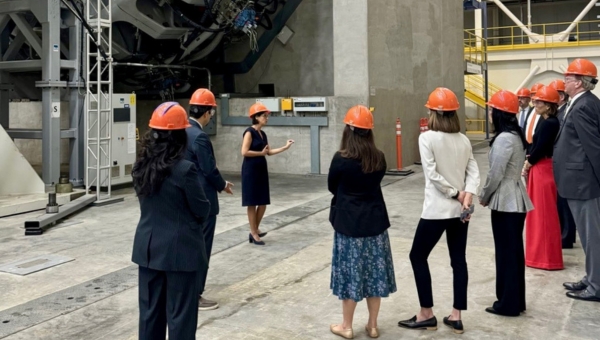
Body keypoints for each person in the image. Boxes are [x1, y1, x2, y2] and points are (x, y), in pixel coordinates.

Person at [398, 88, 480, 335]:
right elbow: (473, 170)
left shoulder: (427, 138)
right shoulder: (463, 140)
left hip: (437, 210)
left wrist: (456, 193)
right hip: (460, 212)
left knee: (417, 256)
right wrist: (468, 193)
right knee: (459, 261)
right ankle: (456, 316)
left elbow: (431, 174)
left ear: (433, 112)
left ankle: (426, 313)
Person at [131, 102, 211, 340]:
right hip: (181, 252)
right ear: (179, 136)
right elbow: (202, 209)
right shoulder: (185, 170)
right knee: (181, 319)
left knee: (149, 316)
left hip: (148, 250)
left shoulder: (139, 167)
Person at [328, 105, 396, 339]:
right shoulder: (379, 158)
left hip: (348, 225)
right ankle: (373, 325)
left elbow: (331, 186)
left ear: (348, 129)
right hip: (375, 224)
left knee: (350, 274)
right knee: (374, 274)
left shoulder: (341, 159)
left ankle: (347, 326)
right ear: (369, 132)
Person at [479, 90, 533, 317]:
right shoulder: (516, 135)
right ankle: (515, 300)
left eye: (492, 110)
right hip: (516, 198)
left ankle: (507, 303)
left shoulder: (504, 139)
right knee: (513, 253)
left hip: (505, 201)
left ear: (500, 113)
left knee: (505, 254)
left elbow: (495, 174)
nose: (490, 113)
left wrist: (484, 195)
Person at [554, 58, 600, 302]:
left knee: (592, 236)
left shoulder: (584, 106)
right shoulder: (578, 103)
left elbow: (593, 147)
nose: (565, 80)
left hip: (584, 183)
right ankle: (592, 277)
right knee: (588, 235)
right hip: (578, 180)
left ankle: (596, 285)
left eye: (569, 77)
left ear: (580, 82)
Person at [185, 88, 233, 311]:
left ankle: (184, 292)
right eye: (212, 111)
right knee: (202, 249)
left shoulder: (180, 131)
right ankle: (195, 295)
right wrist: (222, 185)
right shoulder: (200, 137)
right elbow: (209, 169)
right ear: (207, 113)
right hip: (203, 201)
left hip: (185, 199)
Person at [522, 86, 564, 270]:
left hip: (542, 168)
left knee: (543, 214)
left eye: (539, 101)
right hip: (540, 167)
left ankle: (545, 258)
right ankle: (538, 255)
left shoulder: (550, 123)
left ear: (548, 105)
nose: (535, 103)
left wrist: (529, 163)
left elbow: (541, 147)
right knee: (538, 214)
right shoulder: (546, 121)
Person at [241, 102, 294, 245]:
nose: (267, 118)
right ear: (256, 117)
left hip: (260, 169)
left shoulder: (262, 133)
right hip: (250, 170)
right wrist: (260, 153)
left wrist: (285, 147)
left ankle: (255, 229)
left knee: (263, 202)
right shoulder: (249, 132)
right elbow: (244, 152)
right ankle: (254, 232)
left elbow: (268, 152)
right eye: (264, 116)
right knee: (252, 202)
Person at [548, 79, 576, 249]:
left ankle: (567, 236)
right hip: (558, 161)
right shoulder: (559, 111)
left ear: (560, 96)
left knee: (565, 202)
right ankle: (565, 234)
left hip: (565, 161)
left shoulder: (565, 111)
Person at [524, 83, 545, 154]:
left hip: (538, 149)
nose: (533, 97)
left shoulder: (545, 113)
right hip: (527, 147)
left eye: (536, 94)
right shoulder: (531, 110)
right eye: (532, 95)